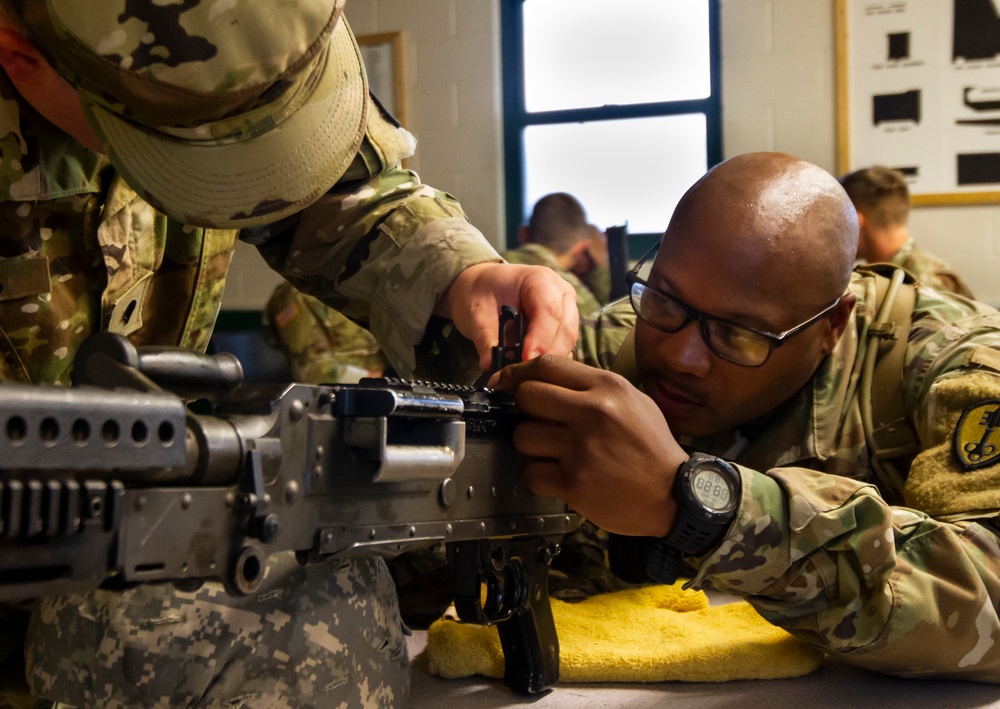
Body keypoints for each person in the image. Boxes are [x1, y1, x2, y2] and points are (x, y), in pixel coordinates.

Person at [0, 1, 578, 706]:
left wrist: (457, 273)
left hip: (146, 524)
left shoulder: (247, 42)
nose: (241, 188)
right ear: (18, 54)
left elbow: (334, 186)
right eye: (194, 157)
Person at [492, 152, 1000, 682]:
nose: (680, 356)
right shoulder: (613, 353)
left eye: (739, 334)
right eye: (665, 300)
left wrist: (704, 507)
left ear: (832, 326)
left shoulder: (952, 361)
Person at [839, 165, 975, 298]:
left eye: (838, 221)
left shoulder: (924, 283)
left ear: (855, 220)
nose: (835, 232)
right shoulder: (883, 276)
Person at [504, 192, 610, 319]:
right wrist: (601, 269)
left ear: (523, 233)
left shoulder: (487, 264)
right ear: (582, 247)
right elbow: (600, 331)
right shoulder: (573, 294)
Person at [263, 281, 388, 384]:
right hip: (339, 399)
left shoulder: (362, 285)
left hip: (381, 392)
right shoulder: (296, 294)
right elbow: (311, 370)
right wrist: (374, 382)